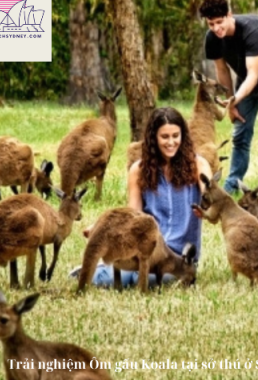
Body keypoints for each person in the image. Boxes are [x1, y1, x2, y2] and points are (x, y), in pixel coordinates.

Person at [72, 107, 212, 287]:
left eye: (176, 136)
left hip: (179, 256)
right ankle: (98, 271)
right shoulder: (138, 170)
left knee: (149, 280)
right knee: (119, 279)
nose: (171, 142)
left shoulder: (198, 165)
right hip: (146, 248)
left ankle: (105, 271)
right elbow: (132, 214)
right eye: (165, 137)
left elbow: (211, 195)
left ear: (183, 136)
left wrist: (207, 206)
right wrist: (100, 227)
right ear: (154, 138)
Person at [199, 0, 258, 193]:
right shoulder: (212, 38)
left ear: (229, 15)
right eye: (211, 24)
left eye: (220, 22)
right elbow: (222, 71)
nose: (216, 28)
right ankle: (232, 185)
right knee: (240, 134)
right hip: (245, 82)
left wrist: (235, 99)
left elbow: (254, 75)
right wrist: (231, 104)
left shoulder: (251, 29)